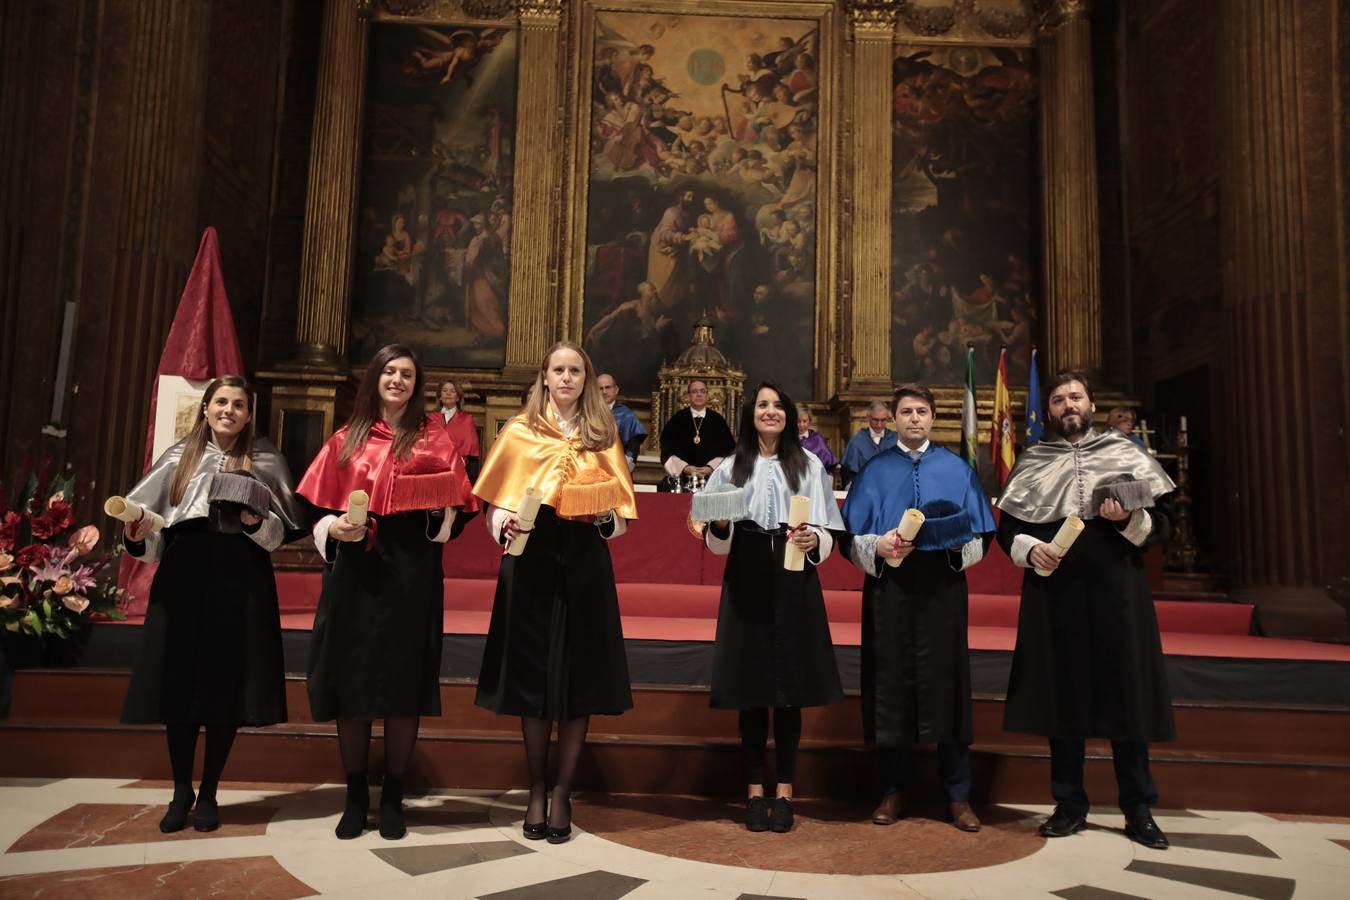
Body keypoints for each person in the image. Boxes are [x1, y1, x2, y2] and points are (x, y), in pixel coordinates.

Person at [298, 344, 477, 841]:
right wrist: (333, 529)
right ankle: (355, 796)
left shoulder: (434, 437)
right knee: (352, 680)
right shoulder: (346, 438)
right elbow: (312, 509)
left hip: (412, 570)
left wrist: (440, 511)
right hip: (355, 570)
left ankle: (394, 796)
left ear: (417, 385)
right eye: (390, 372)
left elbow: (459, 510)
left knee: (403, 682)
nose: (397, 380)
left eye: (407, 374)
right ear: (375, 377)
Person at [997, 372, 1177, 849]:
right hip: (1056, 593)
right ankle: (1069, 803)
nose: (1067, 405)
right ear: (1049, 410)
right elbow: (1008, 528)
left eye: (1075, 396)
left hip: (1118, 590)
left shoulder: (1126, 453)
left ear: (1091, 403)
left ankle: (1138, 808)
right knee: (1063, 696)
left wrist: (1129, 519)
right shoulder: (1033, 460)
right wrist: (1030, 550)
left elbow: (1165, 524)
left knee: (1127, 696)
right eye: (1058, 399)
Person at [119, 376, 304, 833]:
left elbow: (278, 537)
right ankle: (181, 789)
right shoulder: (178, 458)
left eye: (238, 404)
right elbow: (156, 538)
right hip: (184, 578)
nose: (229, 410)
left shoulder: (264, 459)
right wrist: (135, 535)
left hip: (240, 580)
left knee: (225, 688)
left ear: (247, 414)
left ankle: (210, 793)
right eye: (220, 402)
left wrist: (254, 522)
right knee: (181, 686)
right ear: (205, 408)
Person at [474, 341, 639, 845]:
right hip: (531, 556)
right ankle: (537, 786)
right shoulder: (520, 432)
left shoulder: (601, 433)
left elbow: (621, 519)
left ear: (586, 380)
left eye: (575, 371)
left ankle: (563, 790)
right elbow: (493, 503)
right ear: (544, 377)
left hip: (585, 559)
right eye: (558, 370)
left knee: (577, 674)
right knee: (531, 671)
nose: (566, 378)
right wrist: (504, 525)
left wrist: (604, 515)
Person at [841, 385, 995, 832]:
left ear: (933, 417)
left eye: (921, 411)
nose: (913, 418)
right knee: (890, 686)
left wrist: (950, 550)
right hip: (890, 588)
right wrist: (879, 546)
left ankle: (958, 794)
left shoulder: (956, 468)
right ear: (892, 418)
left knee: (947, 685)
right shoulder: (874, 469)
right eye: (905, 411)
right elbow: (848, 538)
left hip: (942, 589)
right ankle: (891, 790)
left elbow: (983, 535)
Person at [702, 382, 844, 834]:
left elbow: (828, 532)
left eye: (778, 405)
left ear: (789, 416)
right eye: (762, 405)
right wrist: (720, 525)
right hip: (745, 572)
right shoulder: (728, 467)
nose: (770, 411)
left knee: (789, 687)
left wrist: (814, 538)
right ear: (750, 414)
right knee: (751, 687)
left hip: (793, 572)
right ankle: (753, 790)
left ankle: (785, 789)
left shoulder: (809, 466)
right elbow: (716, 542)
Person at [658, 380, 735, 491]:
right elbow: (666, 448)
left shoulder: (718, 420)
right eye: (694, 391)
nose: (699, 394)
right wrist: (685, 467)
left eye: (702, 391)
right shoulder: (677, 419)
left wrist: (711, 467)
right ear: (689, 396)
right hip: (683, 479)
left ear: (707, 395)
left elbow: (729, 450)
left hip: (711, 478)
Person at [840, 401, 897, 488]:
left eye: (883, 420)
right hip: (864, 487)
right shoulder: (857, 441)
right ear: (868, 417)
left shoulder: (896, 439)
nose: (879, 424)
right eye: (875, 420)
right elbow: (848, 474)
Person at [596, 372, 647, 470]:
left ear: (616, 390)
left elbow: (633, 447)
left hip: (619, 468)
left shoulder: (627, 415)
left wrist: (622, 467)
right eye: (600, 388)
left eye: (608, 387)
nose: (604, 391)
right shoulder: (588, 414)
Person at [437, 380, 481, 480]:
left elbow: (473, 455)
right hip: (434, 472)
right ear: (440, 396)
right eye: (444, 390)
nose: (448, 393)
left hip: (459, 472)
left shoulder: (467, 420)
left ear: (458, 397)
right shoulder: (431, 420)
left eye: (452, 391)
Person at [796, 406, 837, 473]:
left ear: (809, 421)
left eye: (804, 421)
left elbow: (829, 463)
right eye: (798, 421)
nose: (801, 425)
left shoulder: (817, 439)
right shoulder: (788, 439)